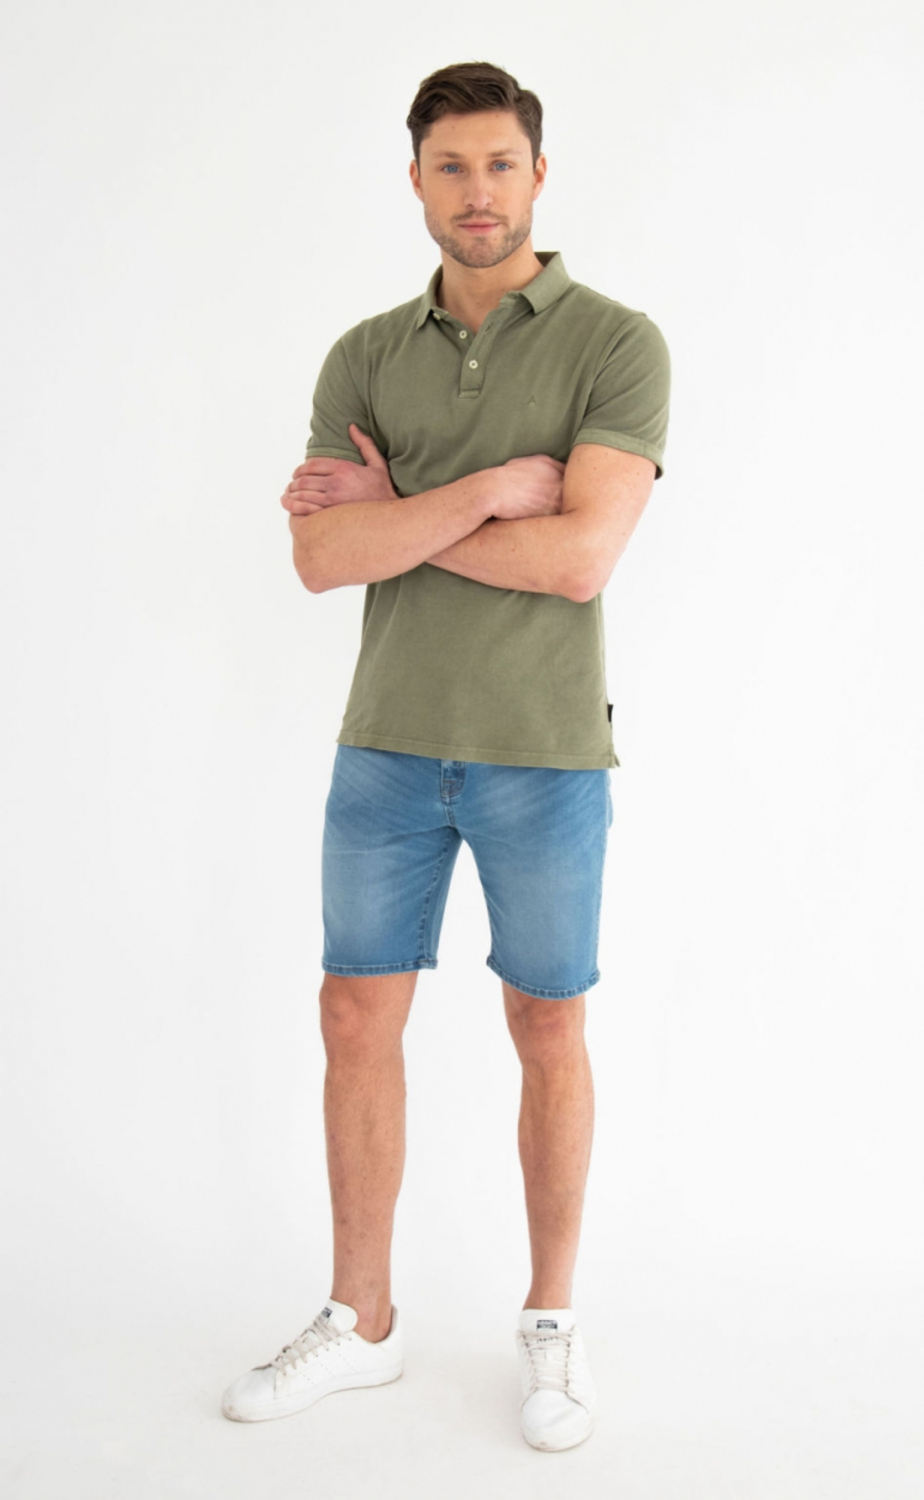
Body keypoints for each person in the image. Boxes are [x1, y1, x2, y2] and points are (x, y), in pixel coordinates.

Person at [221, 60, 671, 1453]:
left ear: (539, 174)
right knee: (353, 1017)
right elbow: (320, 558)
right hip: (387, 750)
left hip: (546, 752)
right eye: (451, 167)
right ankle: (362, 1321)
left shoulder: (615, 343)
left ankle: (551, 1321)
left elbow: (582, 558)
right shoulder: (364, 356)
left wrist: (398, 516)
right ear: (414, 181)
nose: (478, 193)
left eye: (500, 164)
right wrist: (477, 491)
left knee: (549, 1026)